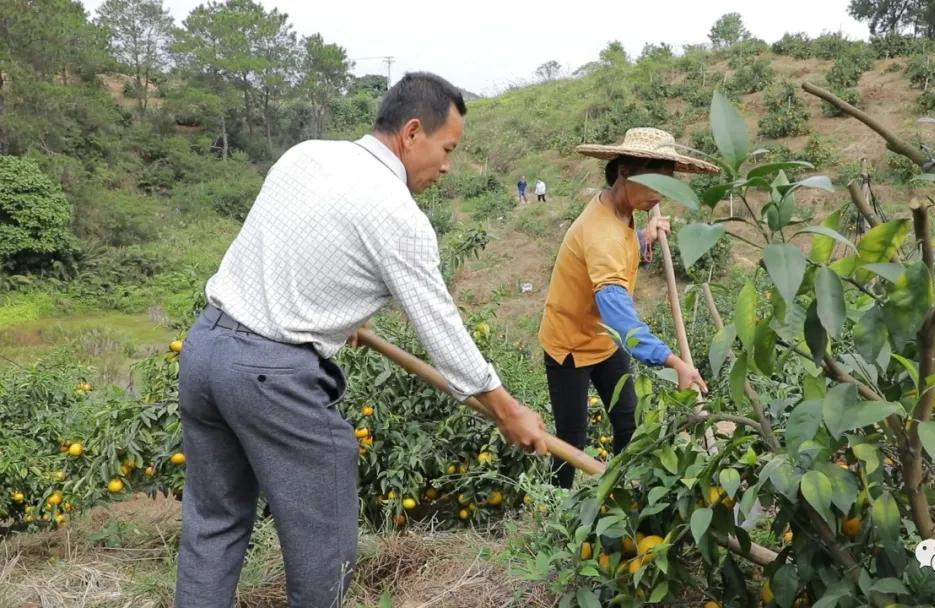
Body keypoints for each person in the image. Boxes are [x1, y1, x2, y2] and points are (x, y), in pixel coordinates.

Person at [175, 72, 548, 608]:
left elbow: (294, 245)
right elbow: (440, 327)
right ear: (413, 132)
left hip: (205, 351)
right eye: (447, 149)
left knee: (214, 523)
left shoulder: (306, 155)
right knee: (323, 545)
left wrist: (333, 316)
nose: (447, 166)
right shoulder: (398, 215)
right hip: (268, 374)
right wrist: (507, 409)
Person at [537, 127, 716, 489]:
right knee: (571, 440)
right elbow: (619, 316)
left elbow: (620, 249)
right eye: (654, 184)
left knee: (628, 424)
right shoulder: (599, 231)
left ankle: (616, 491)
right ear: (624, 172)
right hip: (570, 345)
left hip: (604, 341)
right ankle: (554, 510)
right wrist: (673, 360)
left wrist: (643, 238)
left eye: (667, 186)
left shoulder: (619, 211)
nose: (660, 196)